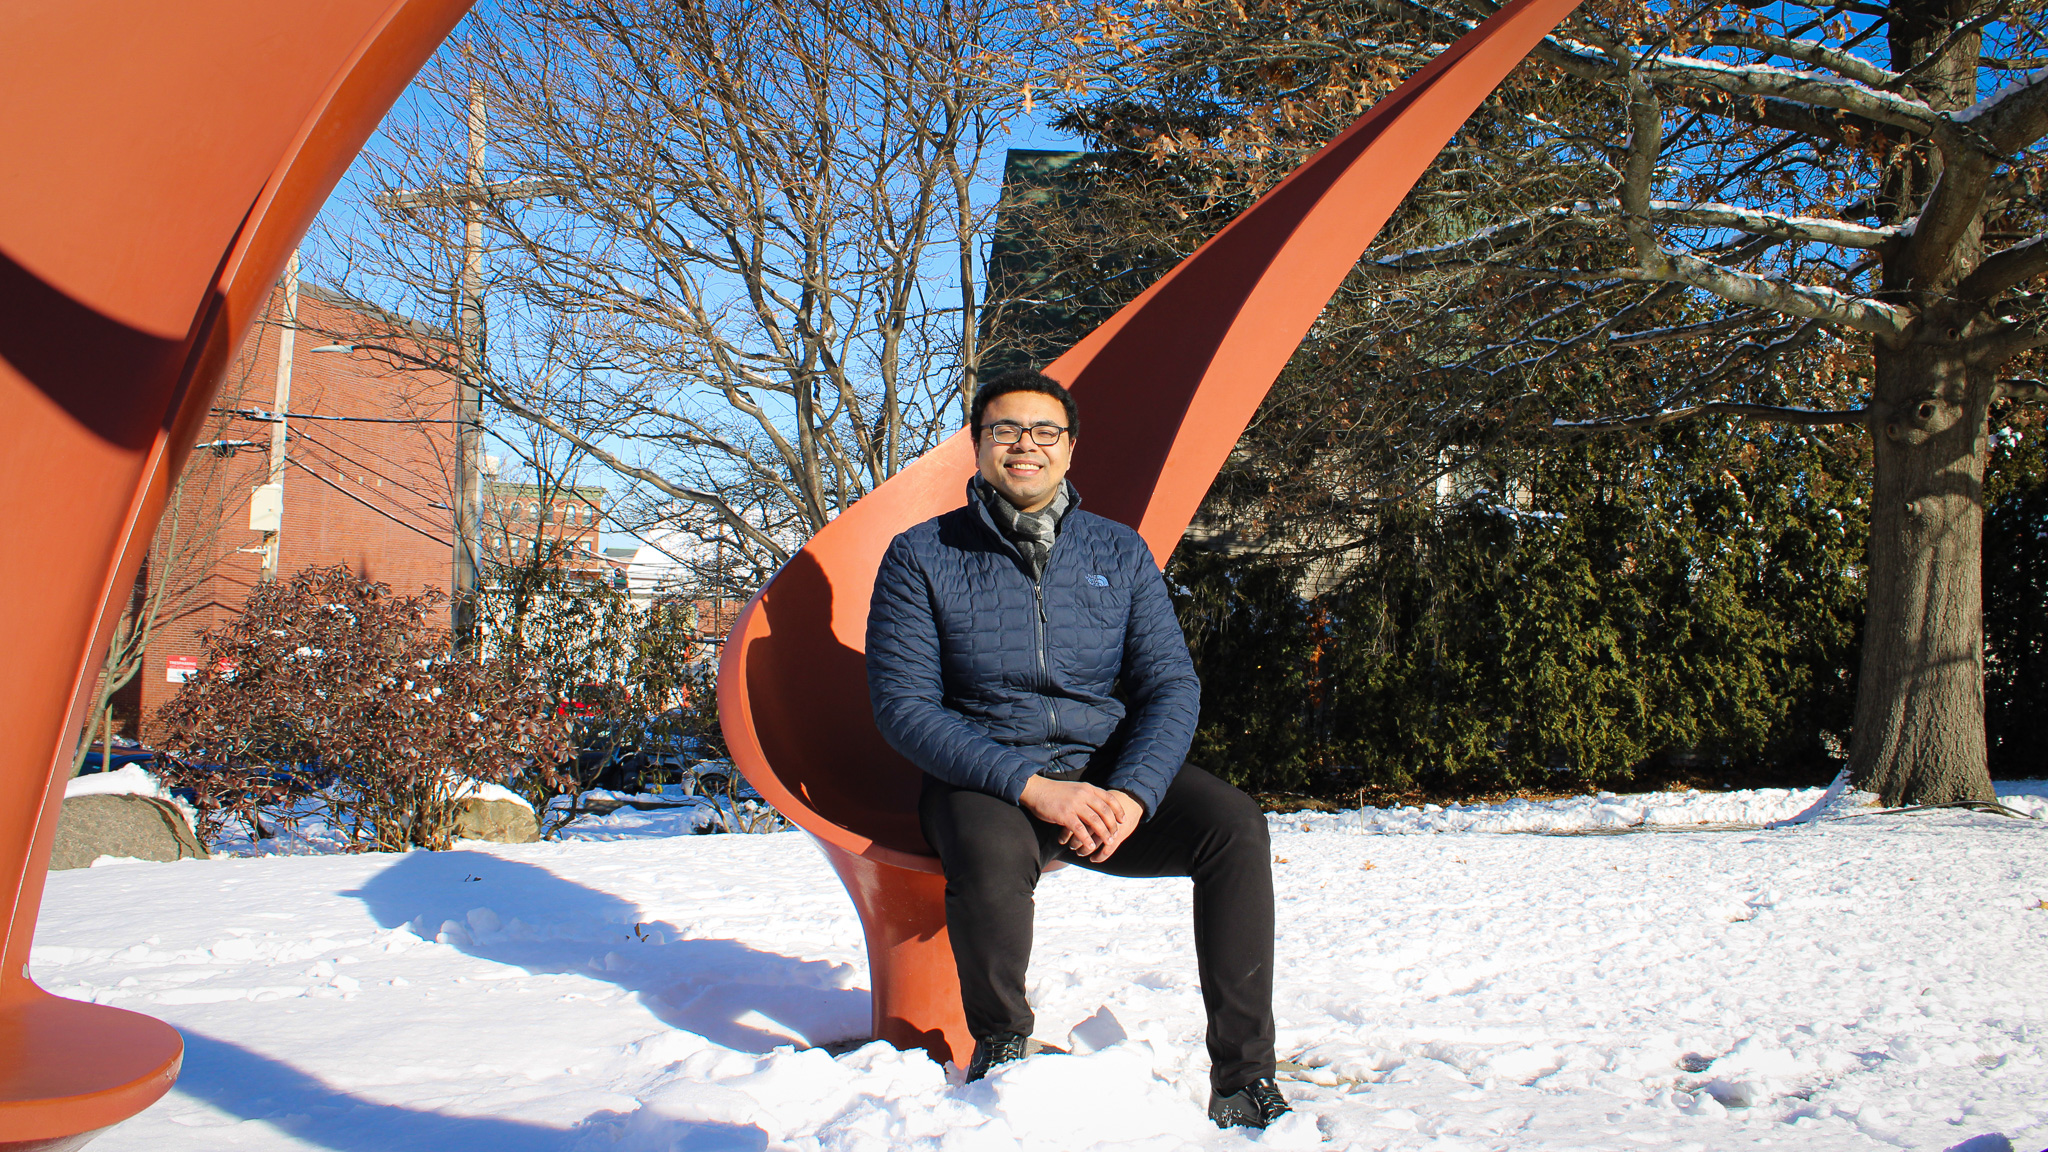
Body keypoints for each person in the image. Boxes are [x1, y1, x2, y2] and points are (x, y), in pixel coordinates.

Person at [865, 368, 1290, 1129]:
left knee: (1234, 826)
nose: (1024, 445)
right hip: (986, 778)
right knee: (989, 853)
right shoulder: (921, 554)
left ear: (1069, 448)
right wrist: (1031, 786)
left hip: (1103, 774)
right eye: (1004, 430)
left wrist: (1133, 792)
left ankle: (1243, 1079)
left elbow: (1171, 686)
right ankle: (1002, 1048)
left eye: (1044, 431)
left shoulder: (1118, 552)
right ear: (977, 445)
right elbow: (905, 708)